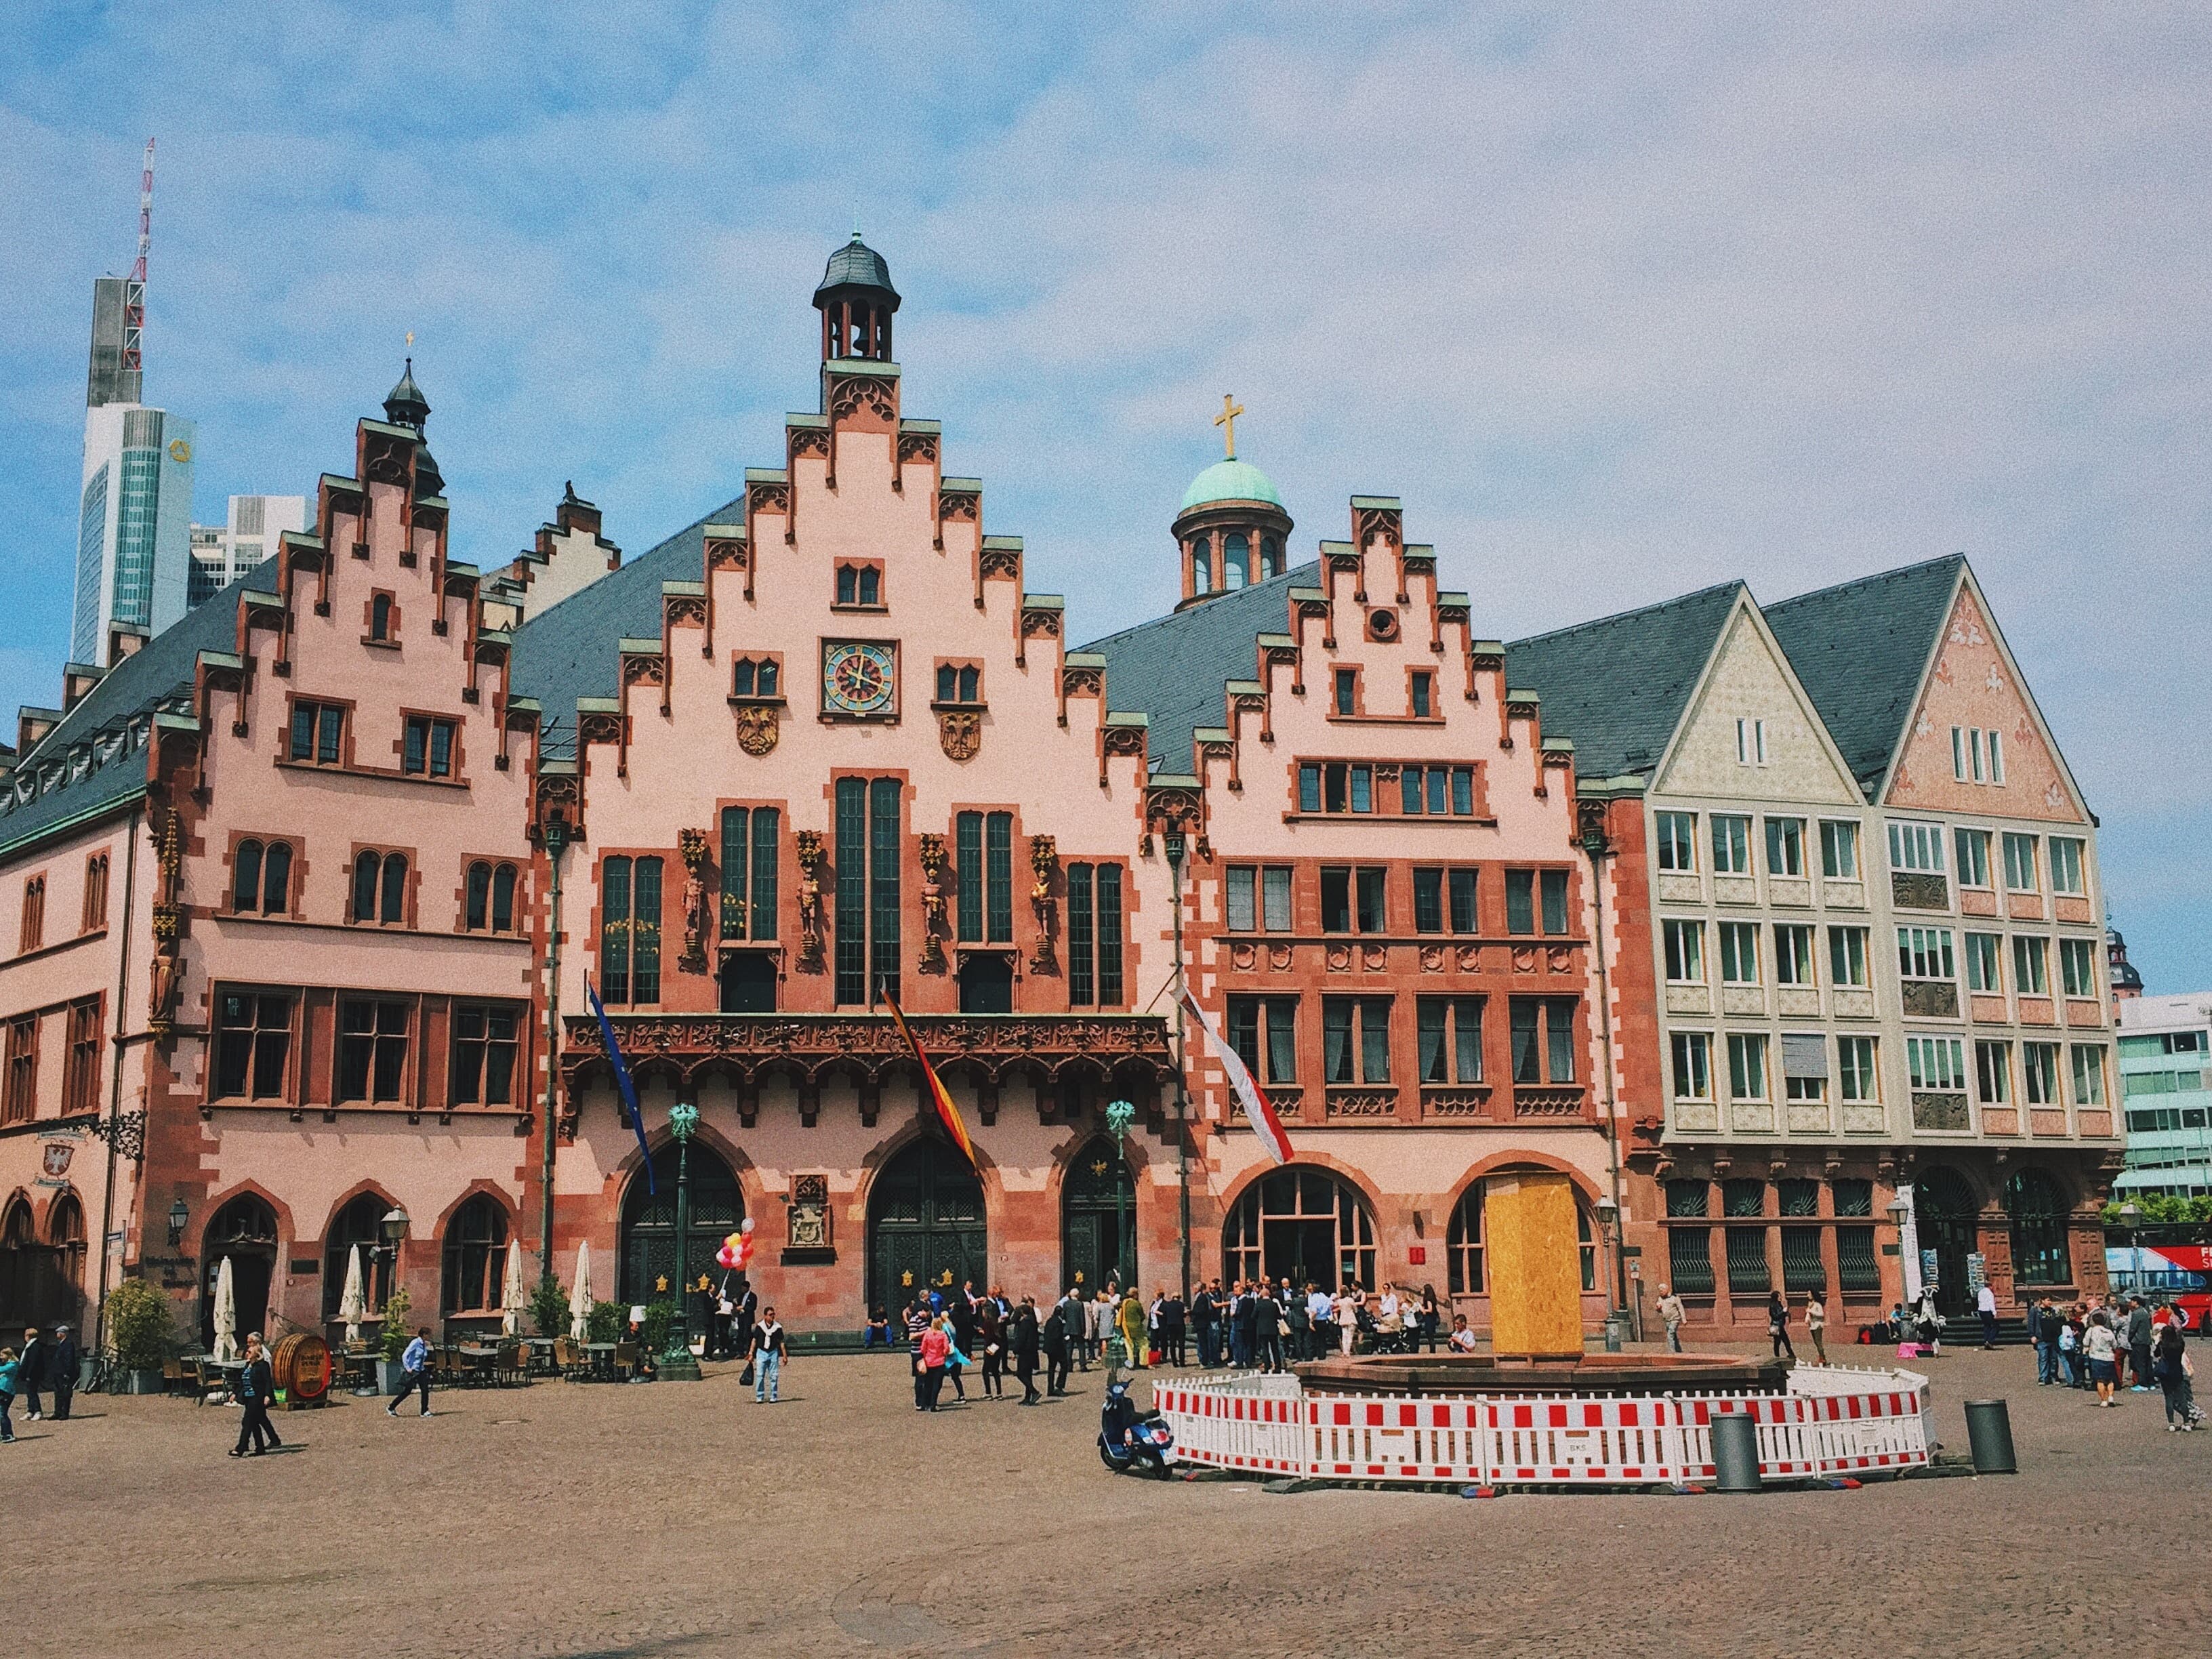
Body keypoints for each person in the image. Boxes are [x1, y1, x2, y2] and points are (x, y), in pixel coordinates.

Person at [230, 1332, 280, 1457]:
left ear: (256, 1354)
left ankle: (240, 1448)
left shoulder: (262, 1365)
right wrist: (235, 1394)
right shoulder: (248, 1365)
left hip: (257, 1398)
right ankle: (261, 1448)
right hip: (248, 1397)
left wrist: (268, 1395)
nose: (247, 1352)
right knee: (256, 1422)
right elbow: (242, 1382)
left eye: (249, 1351)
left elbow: (268, 1381)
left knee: (247, 1423)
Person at [388, 1327, 432, 1418]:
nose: (430, 1336)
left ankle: (424, 1411)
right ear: (424, 1335)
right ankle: (391, 1407)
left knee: (425, 1390)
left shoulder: (424, 1344)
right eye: (428, 1334)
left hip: (421, 1370)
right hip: (413, 1371)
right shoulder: (415, 1343)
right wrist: (408, 1368)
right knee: (407, 1391)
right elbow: (405, 1355)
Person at [750, 1306, 787, 1403]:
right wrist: (751, 1353)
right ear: (765, 1316)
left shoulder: (777, 1327)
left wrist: (784, 1356)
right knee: (760, 1375)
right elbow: (754, 1340)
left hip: (773, 1352)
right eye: (770, 1315)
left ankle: (774, 1395)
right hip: (761, 1352)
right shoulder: (760, 1327)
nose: (772, 1317)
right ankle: (759, 1395)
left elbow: (781, 1342)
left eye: (773, 1315)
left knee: (774, 1375)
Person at [914, 1316, 950, 1412]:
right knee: (937, 1384)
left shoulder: (928, 1334)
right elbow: (946, 1349)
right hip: (939, 1361)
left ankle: (925, 1403)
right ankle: (933, 1404)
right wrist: (944, 1353)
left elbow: (922, 1348)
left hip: (929, 1361)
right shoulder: (943, 1335)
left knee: (928, 1383)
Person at [2085, 1311, 2119, 1406]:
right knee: (2110, 1379)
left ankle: (2104, 1400)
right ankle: (2111, 1396)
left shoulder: (2091, 1330)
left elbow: (2086, 1342)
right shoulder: (2109, 1332)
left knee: (2100, 1380)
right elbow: (2115, 1345)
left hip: (2096, 1357)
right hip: (2109, 1357)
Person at [1012, 1297, 1042, 1406]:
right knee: (1028, 1375)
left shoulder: (1025, 1323)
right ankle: (1028, 1396)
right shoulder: (1032, 1322)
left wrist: (1016, 1350)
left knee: (1020, 1374)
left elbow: (1021, 1339)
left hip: (1025, 1352)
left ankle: (1034, 1391)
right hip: (1032, 1351)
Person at [45, 1324, 79, 1421]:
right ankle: (57, 1412)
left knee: (65, 1393)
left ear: (63, 1334)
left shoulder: (68, 1344)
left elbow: (69, 1359)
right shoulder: (61, 1344)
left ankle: (64, 1413)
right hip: (58, 1373)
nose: (57, 1335)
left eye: (58, 1333)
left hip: (64, 1373)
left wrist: (67, 1373)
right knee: (58, 1393)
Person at [1043, 1294, 1073, 1396]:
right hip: (1057, 1349)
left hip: (1049, 1348)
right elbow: (1057, 1336)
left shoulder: (1049, 1321)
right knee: (1064, 1365)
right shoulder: (1058, 1323)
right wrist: (1065, 1339)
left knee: (1051, 1369)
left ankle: (1050, 1389)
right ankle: (1059, 1386)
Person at [977, 1297, 1006, 1399]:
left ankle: (988, 1392)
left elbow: (989, 1337)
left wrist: (982, 1334)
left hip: (990, 1349)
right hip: (997, 1349)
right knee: (995, 1371)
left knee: (985, 1371)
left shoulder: (987, 1323)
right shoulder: (996, 1321)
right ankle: (999, 1393)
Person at [2127, 1298, 2156, 1393]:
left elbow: (2133, 1328)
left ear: (2136, 1302)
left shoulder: (2136, 1313)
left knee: (2140, 1363)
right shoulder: (2145, 1312)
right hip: (2146, 1340)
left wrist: (2129, 1338)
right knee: (2148, 1362)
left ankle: (2143, 1383)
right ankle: (2151, 1382)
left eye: (2132, 1301)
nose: (2131, 1303)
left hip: (2138, 1341)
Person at [16, 1327, 45, 1422]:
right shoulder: (30, 1346)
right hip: (30, 1374)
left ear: (29, 1336)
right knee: (29, 1393)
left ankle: (38, 1411)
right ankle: (30, 1410)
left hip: (33, 1375)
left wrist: (29, 1374)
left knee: (32, 1393)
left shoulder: (35, 1347)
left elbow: (33, 1362)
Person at [1116, 1287, 1147, 1372]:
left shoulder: (1124, 1303)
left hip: (1125, 1326)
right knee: (1144, 1344)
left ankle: (1131, 1364)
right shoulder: (1136, 1304)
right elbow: (1142, 1315)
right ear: (1135, 1295)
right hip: (1136, 1327)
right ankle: (1143, 1362)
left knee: (1129, 1346)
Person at [1159, 1288, 1187, 1368]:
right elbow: (1184, 1315)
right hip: (1180, 1325)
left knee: (1172, 1344)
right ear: (1179, 1298)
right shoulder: (1181, 1305)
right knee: (1181, 1345)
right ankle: (1182, 1362)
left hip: (1171, 1326)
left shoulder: (1168, 1305)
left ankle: (1175, 1362)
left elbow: (1165, 1314)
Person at [1656, 1284, 1686, 1353]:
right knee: (1673, 1336)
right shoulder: (1660, 1298)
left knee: (1670, 1335)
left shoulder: (1674, 1298)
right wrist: (1658, 1308)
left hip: (1675, 1319)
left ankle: (1672, 1352)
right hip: (1667, 1320)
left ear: (1666, 1290)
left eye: (1662, 1291)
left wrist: (1684, 1319)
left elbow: (1680, 1308)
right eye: (1660, 1291)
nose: (1661, 1292)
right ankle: (1678, 1350)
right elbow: (1658, 1309)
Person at [1766, 1291, 1795, 1361]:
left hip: (1781, 1326)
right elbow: (1775, 1316)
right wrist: (1783, 1312)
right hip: (1777, 1326)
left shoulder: (1779, 1304)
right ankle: (1779, 1357)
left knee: (1784, 1342)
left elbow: (1781, 1315)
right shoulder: (1772, 1306)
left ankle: (1790, 1356)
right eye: (1779, 1296)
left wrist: (1786, 1313)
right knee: (1779, 1342)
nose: (1780, 1298)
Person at [0, 1344, 18, 1443]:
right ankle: (4, 1433)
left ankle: (8, 1434)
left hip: (6, 1391)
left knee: (3, 1414)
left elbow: (1, 1370)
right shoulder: (8, 1364)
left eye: (2, 1356)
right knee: (1, 1413)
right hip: (3, 1390)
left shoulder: (12, 1365)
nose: (1, 1358)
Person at [1334, 1287, 1359, 1356]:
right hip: (1351, 1319)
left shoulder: (1340, 1301)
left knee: (1344, 1336)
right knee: (1350, 1336)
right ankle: (1348, 1352)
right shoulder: (1350, 1300)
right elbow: (1356, 1309)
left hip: (1343, 1319)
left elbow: (1335, 1306)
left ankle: (1345, 1352)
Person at [1805, 1293, 1828, 1366]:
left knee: (1818, 1342)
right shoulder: (1810, 1304)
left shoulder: (1817, 1305)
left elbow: (1821, 1314)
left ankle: (1822, 1358)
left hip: (1818, 1325)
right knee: (1816, 1342)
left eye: (1809, 1293)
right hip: (1812, 1325)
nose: (1807, 1295)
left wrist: (1811, 1312)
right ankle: (1822, 1357)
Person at [1418, 1284, 1441, 1353]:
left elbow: (1430, 1310)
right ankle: (1432, 1350)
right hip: (1432, 1318)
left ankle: (1432, 1351)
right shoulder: (1431, 1298)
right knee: (1430, 1335)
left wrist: (1424, 1310)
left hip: (1430, 1318)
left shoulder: (1428, 1299)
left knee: (1430, 1335)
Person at [1976, 1281, 2000, 1349]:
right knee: (1996, 1326)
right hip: (1987, 1311)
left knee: (1987, 1326)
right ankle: (1990, 1341)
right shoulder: (1990, 1293)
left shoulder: (1980, 1292)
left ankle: (1986, 1341)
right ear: (1990, 1286)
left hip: (1981, 1311)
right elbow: (1991, 1304)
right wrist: (1994, 1313)